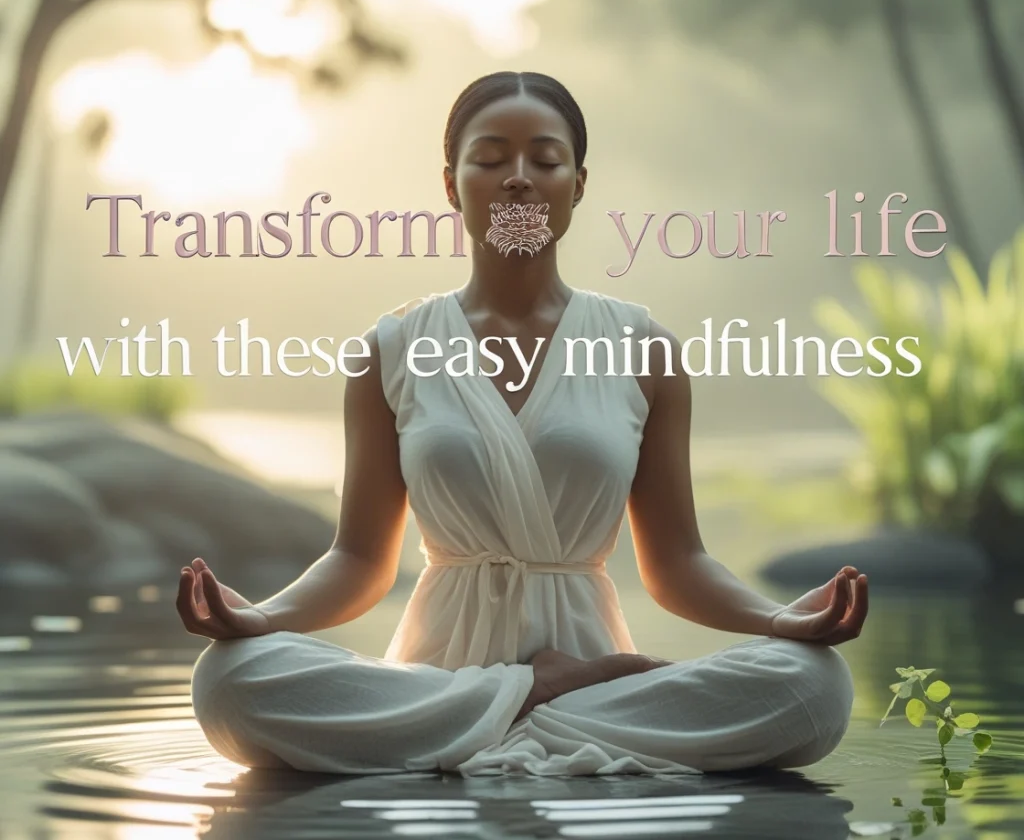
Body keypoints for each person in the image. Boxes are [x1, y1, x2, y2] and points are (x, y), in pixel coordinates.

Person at [182, 71, 868, 777]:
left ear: (577, 184)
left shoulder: (644, 348)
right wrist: (260, 621)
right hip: (437, 678)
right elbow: (360, 561)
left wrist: (780, 622)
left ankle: (482, 725)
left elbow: (677, 565)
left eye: (544, 160)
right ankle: (532, 698)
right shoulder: (388, 351)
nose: (517, 180)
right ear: (451, 185)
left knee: (814, 685)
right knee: (227, 679)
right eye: (490, 159)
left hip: (576, 669)